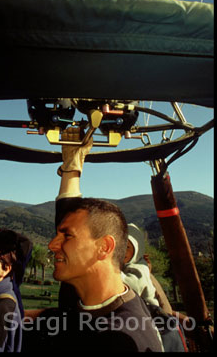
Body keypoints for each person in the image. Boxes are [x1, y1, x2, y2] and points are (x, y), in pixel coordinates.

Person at [22, 129, 163, 352]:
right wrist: (72, 167)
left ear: (104, 247)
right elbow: (70, 216)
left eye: (66, 236)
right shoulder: (87, 296)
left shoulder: (118, 339)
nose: (51, 245)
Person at [122, 222, 160, 306]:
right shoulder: (127, 264)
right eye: (120, 246)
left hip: (148, 311)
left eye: (127, 247)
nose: (123, 251)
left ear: (137, 250)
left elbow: (134, 286)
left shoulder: (140, 267)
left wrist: (113, 273)